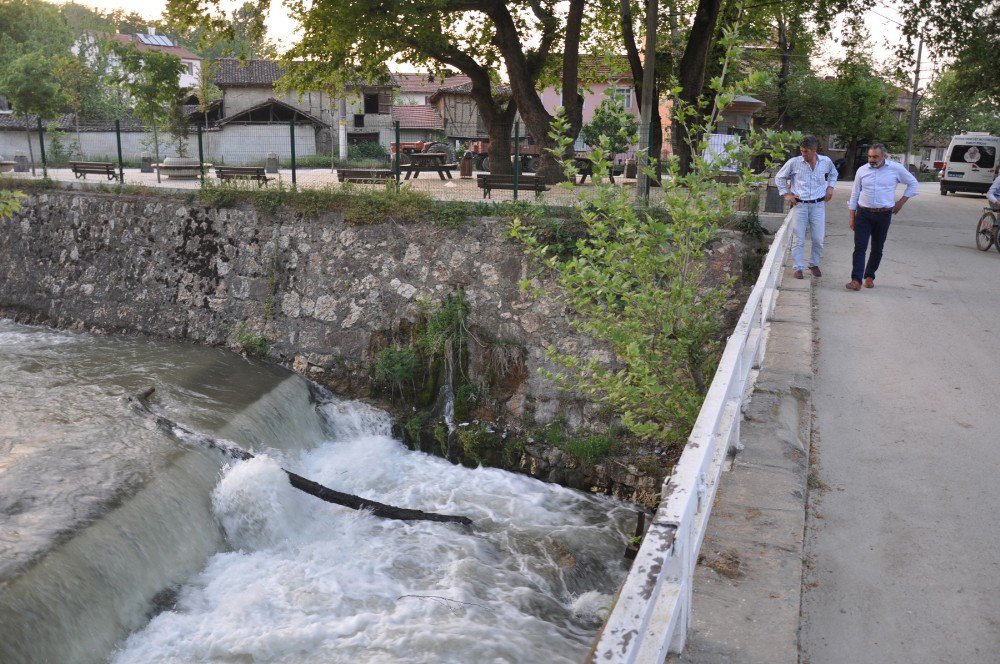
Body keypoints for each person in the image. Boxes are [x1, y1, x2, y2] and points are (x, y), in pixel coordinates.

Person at [846, 144, 919, 291]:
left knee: (877, 248)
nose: (871, 160)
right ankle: (856, 280)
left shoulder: (895, 169)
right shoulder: (862, 170)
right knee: (860, 247)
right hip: (864, 213)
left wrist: (901, 202)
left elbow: (913, 183)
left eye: (875, 157)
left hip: (883, 214)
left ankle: (870, 276)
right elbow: (855, 194)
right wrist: (852, 216)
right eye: (869, 156)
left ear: (883, 156)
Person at [775, 134, 839, 278]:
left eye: (806, 151)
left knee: (818, 238)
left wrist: (830, 187)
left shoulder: (826, 162)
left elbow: (834, 174)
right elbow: (779, 177)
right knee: (799, 237)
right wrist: (786, 194)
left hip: (818, 204)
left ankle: (814, 263)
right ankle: (798, 267)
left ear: (814, 150)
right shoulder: (794, 162)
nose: (803, 154)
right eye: (802, 151)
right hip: (800, 205)